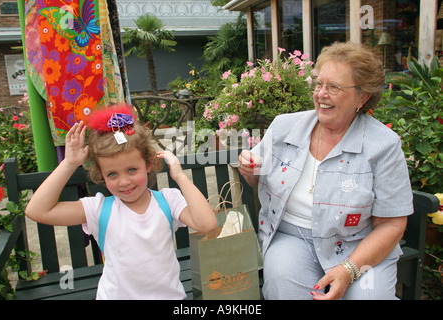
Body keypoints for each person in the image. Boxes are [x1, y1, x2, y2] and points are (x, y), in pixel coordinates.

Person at [237, 42, 413, 300]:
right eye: (319, 84)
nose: (321, 94)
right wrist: (249, 168)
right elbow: (254, 178)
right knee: (285, 288)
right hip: (292, 237)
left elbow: (392, 224)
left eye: (334, 87)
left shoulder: (383, 145)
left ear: (362, 97)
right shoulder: (285, 126)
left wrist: (349, 270)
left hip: (359, 244)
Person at [25, 104, 216, 299]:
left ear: (148, 164)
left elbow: (207, 224)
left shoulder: (168, 201)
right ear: (101, 175)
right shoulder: (98, 210)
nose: (124, 182)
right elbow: (37, 211)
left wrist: (180, 177)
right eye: (112, 174)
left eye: (132, 170)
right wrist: (69, 163)